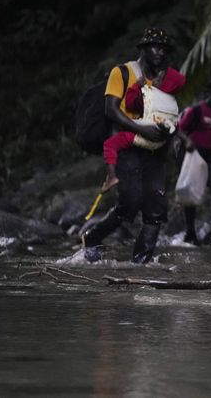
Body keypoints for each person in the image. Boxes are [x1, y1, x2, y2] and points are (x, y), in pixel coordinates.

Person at [82, 27, 184, 263]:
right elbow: (111, 109)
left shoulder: (166, 78)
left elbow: (170, 112)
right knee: (131, 201)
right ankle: (93, 237)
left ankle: (141, 265)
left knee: (156, 209)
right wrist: (141, 129)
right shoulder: (123, 72)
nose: (160, 52)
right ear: (143, 49)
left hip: (156, 151)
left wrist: (173, 136)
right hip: (128, 146)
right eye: (155, 47)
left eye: (164, 49)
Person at [100, 72, 184, 193]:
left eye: (158, 78)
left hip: (142, 136)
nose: (154, 79)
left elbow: (130, 103)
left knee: (109, 144)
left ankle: (111, 177)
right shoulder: (172, 104)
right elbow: (175, 125)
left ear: (164, 84)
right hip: (159, 143)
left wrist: (136, 86)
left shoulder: (149, 94)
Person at [178, 82, 211, 244]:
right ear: (209, 95)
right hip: (195, 153)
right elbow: (178, 128)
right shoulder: (196, 111)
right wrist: (187, 141)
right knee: (190, 190)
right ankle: (190, 230)